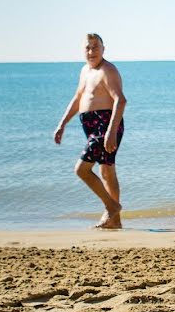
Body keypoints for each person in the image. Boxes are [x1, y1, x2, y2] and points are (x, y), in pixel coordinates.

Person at [54, 33, 127, 229]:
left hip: (106, 124)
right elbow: (78, 99)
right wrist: (62, 124)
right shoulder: (85, 71)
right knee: (107, 171)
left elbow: (120, 100)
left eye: (95, 47)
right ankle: (115, 222)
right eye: (88, 47)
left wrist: (111, 132)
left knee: (81, 169)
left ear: (104, 49)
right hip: (91, 125)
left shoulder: (107, 70)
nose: (91, 51)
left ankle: (112, 208)